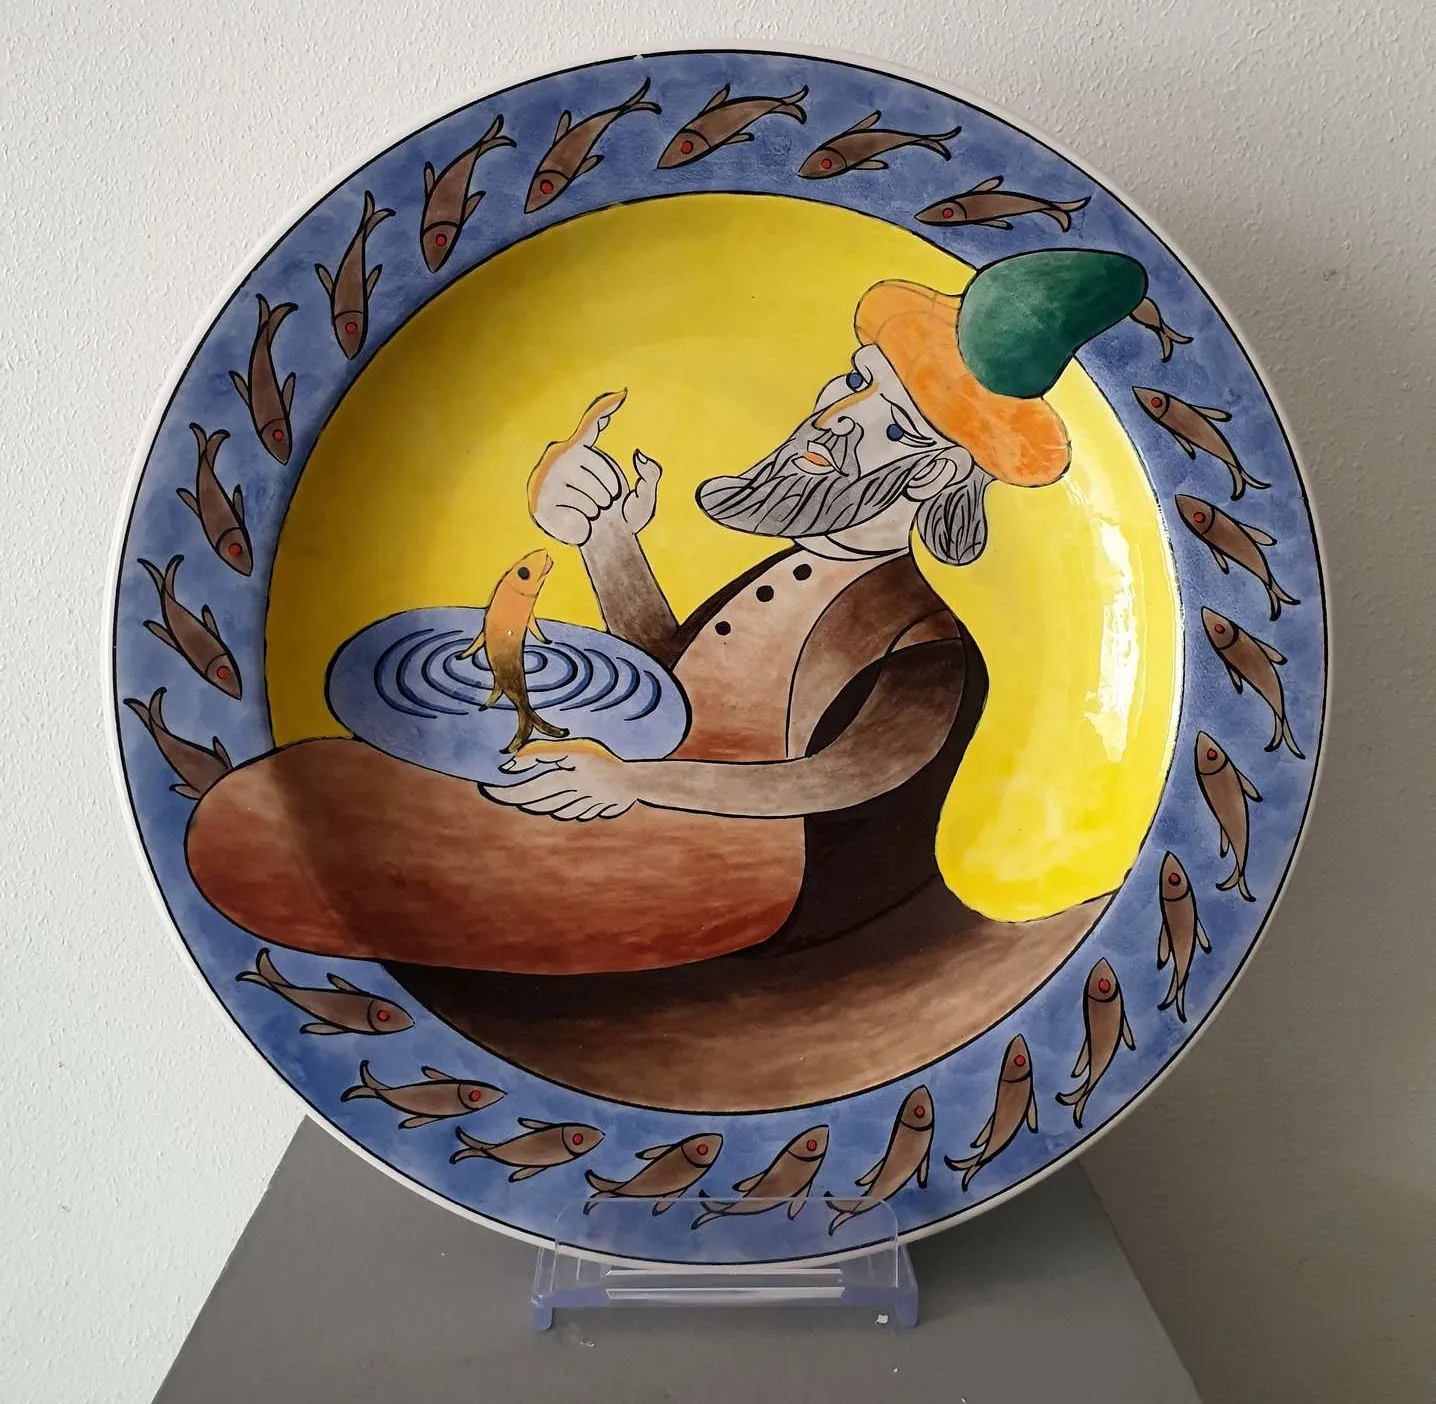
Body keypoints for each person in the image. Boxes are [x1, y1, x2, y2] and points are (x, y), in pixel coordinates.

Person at [186, 248, 1149, 975]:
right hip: (655, 818)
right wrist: (608, 539)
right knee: (328, 782)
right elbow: (678, 690)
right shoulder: (801, 564)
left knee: (283, 831)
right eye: (858, 378)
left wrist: (633, 781)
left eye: (890, 422)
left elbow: (835, 778)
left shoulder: (920, 639)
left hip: (751, 878)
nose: (835, 413)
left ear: (937, 474)